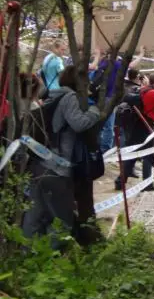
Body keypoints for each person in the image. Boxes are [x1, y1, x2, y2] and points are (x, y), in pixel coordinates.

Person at [22, 65, 101, 250]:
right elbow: (79, 123)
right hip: (57, 168)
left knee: (35, 216)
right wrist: (95, 111)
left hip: (40, 164)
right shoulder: (70, 97)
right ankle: (54, 260)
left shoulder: (53, 97)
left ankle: (26, 255)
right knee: (63, 222)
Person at [114, 72, 154, 192]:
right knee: (148, 155)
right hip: (145, 126)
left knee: (133, 155)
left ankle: (120, 181)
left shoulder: (143, 89)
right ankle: (147, 184)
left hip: (137, 125)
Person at [91, 46, 144, 153]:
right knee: (109, 125)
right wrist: (141, 54)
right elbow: (131, 65)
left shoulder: (104, 62)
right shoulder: (116, 64)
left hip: (100, 96)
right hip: (110, 97)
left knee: (100, 123)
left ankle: (96, 145)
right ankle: (105, 149)